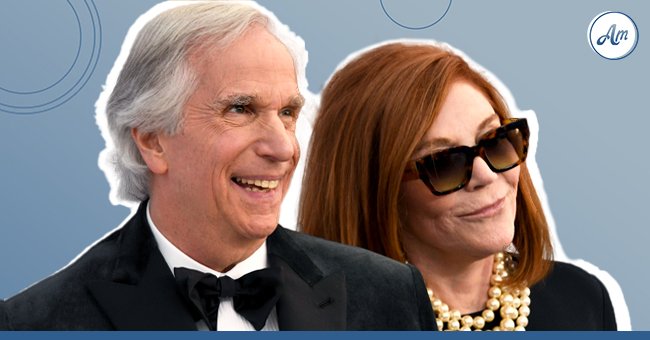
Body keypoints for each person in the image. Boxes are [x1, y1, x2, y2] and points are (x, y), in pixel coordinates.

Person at [2, 2, 435, 330]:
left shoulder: (390, 295)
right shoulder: (35, 322)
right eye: (241, 109)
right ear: (153, 140)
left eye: (287, 112)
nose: (283, 148)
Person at [300, 41, 617, 331]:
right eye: (444, 163)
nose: (487, 175)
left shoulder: (583, 299)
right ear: (375, 191)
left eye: (495, 141)